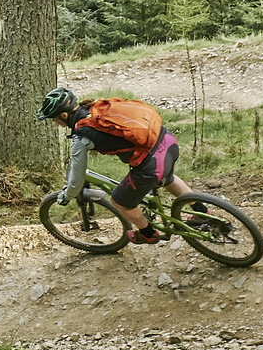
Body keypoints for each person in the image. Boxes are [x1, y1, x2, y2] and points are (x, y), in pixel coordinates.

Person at [39, 87, 202, 246]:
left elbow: (76, 180)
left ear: (64, 115)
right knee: (168, 178)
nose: (55, 123)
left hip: (152, 163)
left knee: (119, 202)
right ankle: (202, 213)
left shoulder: (80, 137)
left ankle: (147, 234)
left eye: (54, 119)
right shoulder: (96, 107)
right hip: (166, 140)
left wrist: (68, 195)